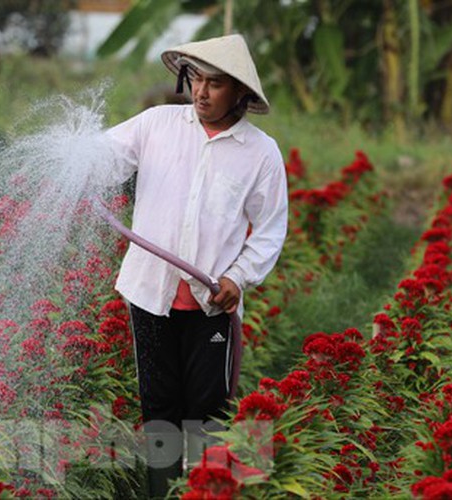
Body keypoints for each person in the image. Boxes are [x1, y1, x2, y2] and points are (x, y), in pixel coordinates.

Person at [102, 34, 288, 498]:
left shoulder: (260, 153)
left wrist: (237, 277)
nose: (202, 92)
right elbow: (105, 157)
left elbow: (269, 230)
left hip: (212, 305)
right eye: (196, 79)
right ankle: (162, 493)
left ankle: (205, 491)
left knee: (207, 411)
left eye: (216, 84)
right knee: (159, 409)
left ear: (240, 93)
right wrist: (79, 160)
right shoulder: (155, 126)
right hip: (150, 295)